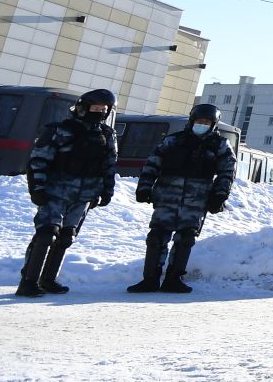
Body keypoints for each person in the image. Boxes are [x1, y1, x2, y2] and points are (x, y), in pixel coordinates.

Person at [17, 89, 119, 297]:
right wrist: (37, 187)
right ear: (83, 107)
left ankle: (48, 280)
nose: (99, 112)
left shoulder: (107, 135)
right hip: (56, 191)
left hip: (84, 196)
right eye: (95, 108)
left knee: (65, 237)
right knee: (47, 233)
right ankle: (28, 281)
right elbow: (38, 160)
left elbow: (109, 165)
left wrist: (107, 191)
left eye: (103, 109)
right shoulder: (60, 130)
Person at [127, 103, 236, 294]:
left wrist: (219, 195)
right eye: (199, 121)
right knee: (156, 238)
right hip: (167, 197)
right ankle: (150, 280)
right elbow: (152, 163)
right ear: (192, 121)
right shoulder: (173, 141)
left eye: (207, 122)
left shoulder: (219, 145)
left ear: (213, 125)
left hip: (197, 200)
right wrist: (144, 187)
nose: (202, 125)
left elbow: (227, 172)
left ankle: (173, 279)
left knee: (185, 239)